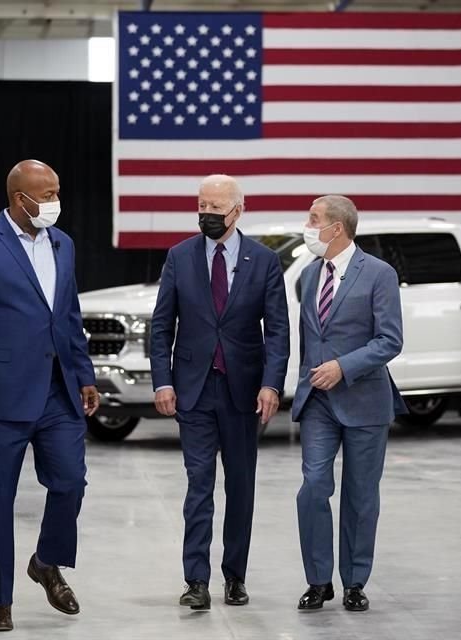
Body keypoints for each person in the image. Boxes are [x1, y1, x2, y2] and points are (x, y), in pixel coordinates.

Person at [0, 160, 99, 632]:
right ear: (19, 198)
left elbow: (67, 313)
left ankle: (47, 561)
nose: (55, 202)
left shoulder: (63, 243)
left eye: (57, 192)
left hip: (59, 391)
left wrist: (85, 373)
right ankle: (0, 600)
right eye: (47, 194)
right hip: (0, 395)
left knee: (71, 481)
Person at [150, 174, 289, 610]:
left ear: (237, 210)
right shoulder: (179, 256)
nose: (206, 213)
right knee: (199, 486)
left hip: (243, 392)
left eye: (215, 207)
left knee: (241, 488)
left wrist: (271, 383)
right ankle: (196, 580)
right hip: (192, 390)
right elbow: (161, 325)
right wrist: (162, 379)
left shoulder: (264, 261)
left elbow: (279, 330)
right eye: (201, 205)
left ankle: (235, 576)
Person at [291, 195, 405, 613]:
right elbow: (309, 339)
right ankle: (318, 581)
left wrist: (343, 366)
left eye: (314, 219)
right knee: (313, 488)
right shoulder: (307, 275)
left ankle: (355, 581)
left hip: (364, 400)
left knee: (360, 496)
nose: (308, 225)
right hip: (318, 401)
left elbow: (390, 339)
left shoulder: (379, 274)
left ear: (337, 227)